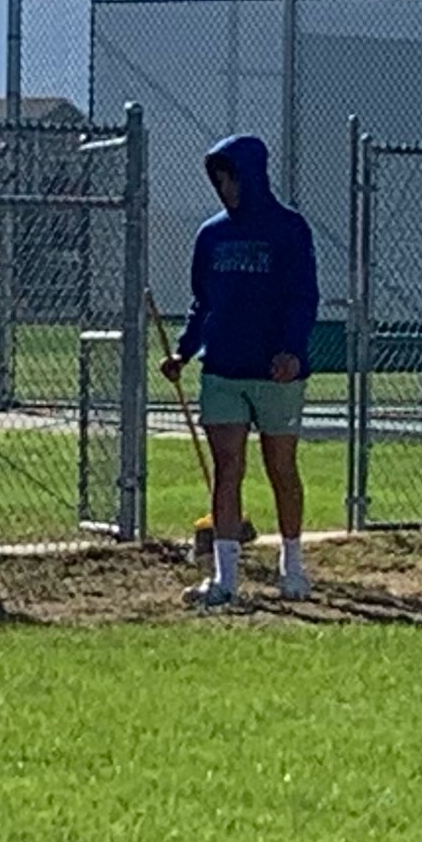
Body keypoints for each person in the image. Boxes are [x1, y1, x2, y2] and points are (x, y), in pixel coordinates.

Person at [160, 135, 318, 607]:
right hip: (222, 371)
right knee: (227, 468)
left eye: (228, 177)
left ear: (251, 175)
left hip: (277, 375)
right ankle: (225, 579)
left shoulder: (290, 229)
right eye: (217, 179)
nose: (223, 187)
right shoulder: (211, 235)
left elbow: (303, 297)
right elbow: (202, 303)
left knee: (281, 469)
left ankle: (293, 568)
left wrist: (291, 350)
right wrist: (185, 353)